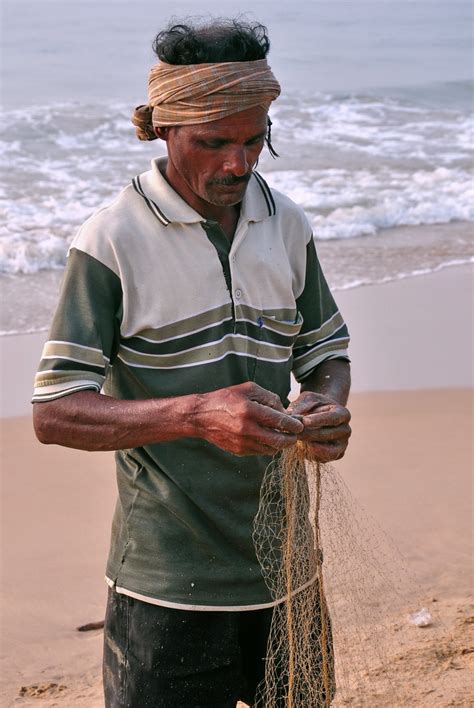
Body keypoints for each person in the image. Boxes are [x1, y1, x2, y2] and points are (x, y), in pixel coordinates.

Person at [32, 18, 351, 708]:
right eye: (213, 142)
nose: (238, 164)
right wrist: (196, 415)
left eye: (253, 139)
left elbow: (325, 355)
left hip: (288, 572)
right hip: (166, 590)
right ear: (164, 130)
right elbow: (55, 412)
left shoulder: (286, 224)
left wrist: (325, 407)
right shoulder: (110, 241)